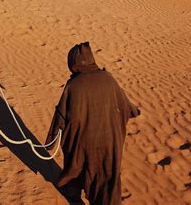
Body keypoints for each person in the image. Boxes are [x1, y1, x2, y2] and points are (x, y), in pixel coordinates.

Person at [46, 42, 140, 205]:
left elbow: (60, 118)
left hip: (84, 147)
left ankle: (74, 193)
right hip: (110, 145)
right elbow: (128, 107)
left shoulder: (73, 86)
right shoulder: (108, 79)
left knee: (76, 164)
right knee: (107, 177)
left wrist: (49, 143)